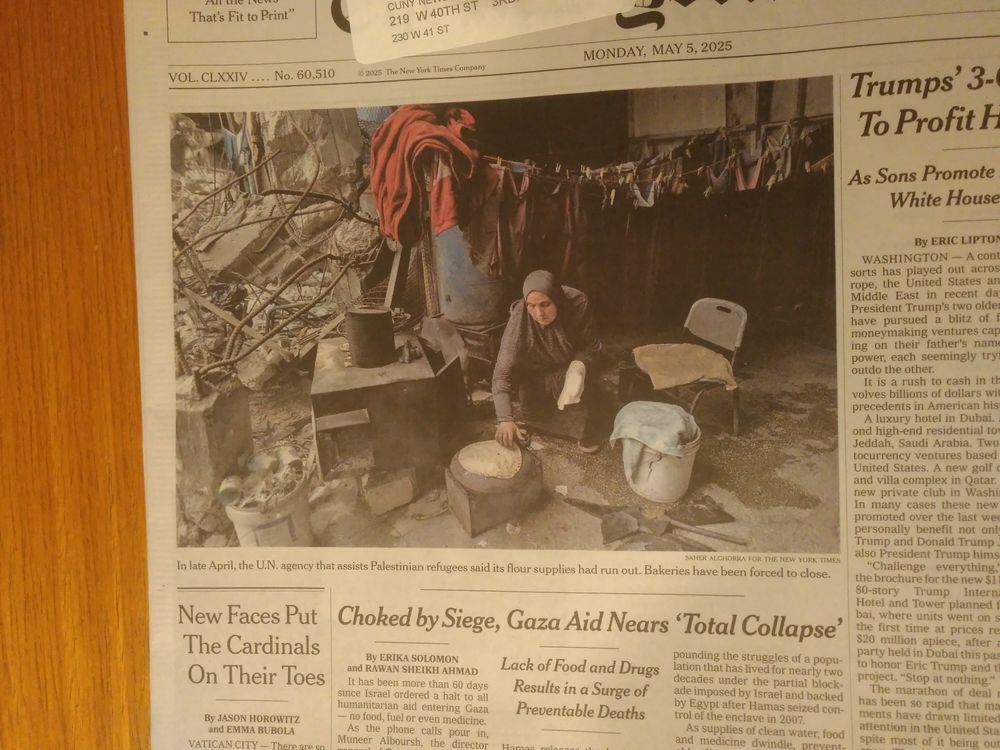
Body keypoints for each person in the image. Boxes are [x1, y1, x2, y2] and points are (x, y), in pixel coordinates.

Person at [492, 270, 605, 452]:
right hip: (536, 372)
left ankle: (589, 420)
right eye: (532, 306)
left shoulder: (577, 303)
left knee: (584, 397)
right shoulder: (519, 319)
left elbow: (591, 346)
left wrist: (578, 367)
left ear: (557, 299)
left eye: (545, 304)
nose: (539, 313)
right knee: (534, 415)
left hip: (569, 366)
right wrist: (504, 418)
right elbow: (502, 374)